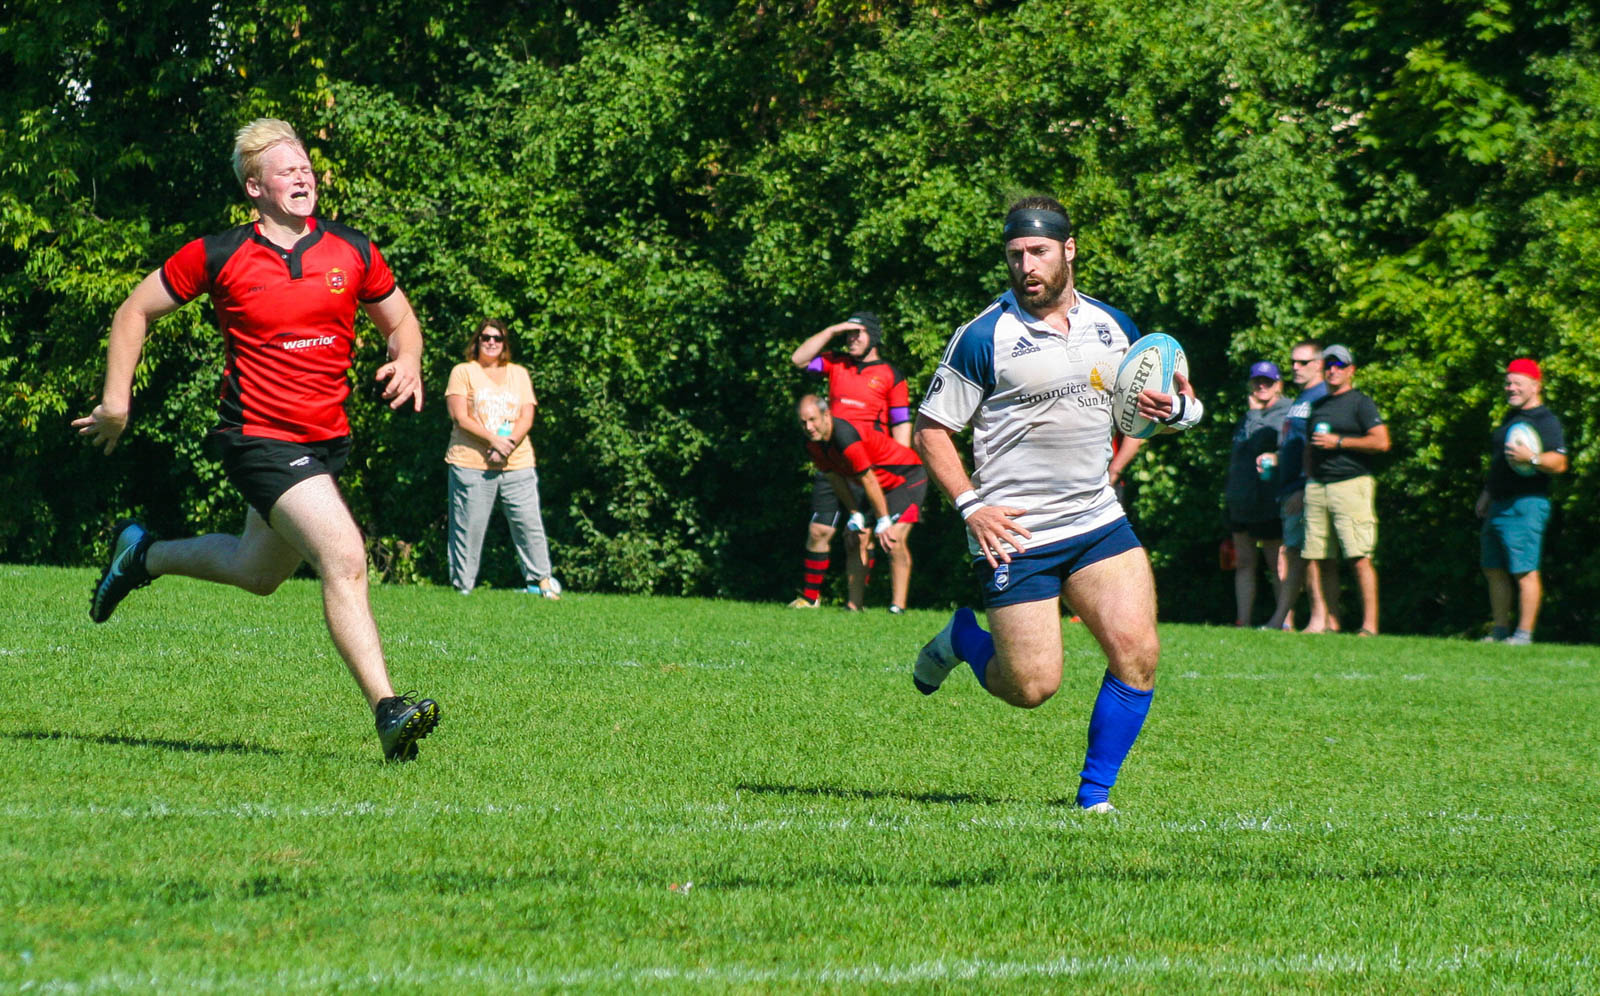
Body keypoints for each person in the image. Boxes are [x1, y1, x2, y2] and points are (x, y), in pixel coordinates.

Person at [72, 118, 439, 762]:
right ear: (254, 188)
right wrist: (115, 402)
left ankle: (141, 556)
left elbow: (401, 320)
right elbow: (134, 310)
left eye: (306, 166)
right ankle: (388, 709)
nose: (303, 175)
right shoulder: (219, 254)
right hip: (258, 439)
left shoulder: (352, 251)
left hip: (325, 442)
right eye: (286, 168)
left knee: (256, 570)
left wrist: (406, 356)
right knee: (345, 556)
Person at [910, 195, 1202, 814]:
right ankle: (965, 637)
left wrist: (1176, 410)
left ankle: (1094, 798)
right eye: (1015, 255)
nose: (1026, 266)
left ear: (1068, 250)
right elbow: (931, 429)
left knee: (1138, 654)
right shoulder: (984, 336)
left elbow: (1171, 408)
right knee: (1032, 687)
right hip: (1014, 532)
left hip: (1097, 520)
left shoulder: (1115, 325)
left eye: (1038, 251)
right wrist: (969, 506)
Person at [788, 312, 911, 608]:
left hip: (869, 464)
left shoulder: (891, 374)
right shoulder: (836, 362)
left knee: (861, 536)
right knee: (820, 530)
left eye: (858, 333)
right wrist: (832, 329)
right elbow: (799, 360)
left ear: (874, 337)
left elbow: (901, 421)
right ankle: (810, 598)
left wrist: (900, 463)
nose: (851, 339)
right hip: (833, 461)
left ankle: (856, 605)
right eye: (849, 334)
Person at [444, 318, 562, 598]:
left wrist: (505, 445)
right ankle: (463, 586)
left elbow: (527, 415)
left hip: (517, 462)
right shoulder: (463, 372)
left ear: (505, 343)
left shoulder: (518, 374)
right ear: (477, 341)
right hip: (470, 462)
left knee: (528, 523)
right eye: (486, 337)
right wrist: (492, 440)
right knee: (468, 527)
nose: (492, 343)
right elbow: (460, 417)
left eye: (497, 338)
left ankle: (541, 581)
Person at [796, 394, 925, 613]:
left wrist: (883, 521)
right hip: (873, 485)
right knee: (855, 537)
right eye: (803, 422)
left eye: (813, 420)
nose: (808, 427)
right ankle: (854, 607)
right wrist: (855, 513)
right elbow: (835, 478)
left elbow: (868, 479)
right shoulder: (813, 443)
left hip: (905, 478)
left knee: (893, 538)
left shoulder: (845, 435)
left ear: (826, 415)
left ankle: (897, 608)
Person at [1476, 358, 1567, 644]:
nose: (1510, 387)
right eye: (1508, 382)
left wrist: (1534, 459)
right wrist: (1487, 494)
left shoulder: (1545, 420)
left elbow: (1560, 462)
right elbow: (1499, 463)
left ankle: (1523, 634)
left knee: (1524, 569)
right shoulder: (1510, 418)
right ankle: (1500, 630)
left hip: (1527, 503)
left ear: (1535, 386)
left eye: (1517, 382)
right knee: (1493, 568)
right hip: (1499, 503)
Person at [1302, 344, 1390, 636]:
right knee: (1319, 557)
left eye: (1339, 365)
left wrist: (1339, 442)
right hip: (1317, 486)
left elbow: (1381, 442)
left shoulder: (1360, 403)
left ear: (1351, 370)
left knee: (1359, 556)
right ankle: (1329, 621)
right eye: (1328, 365)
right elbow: (1308, 447)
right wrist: (1309, 478)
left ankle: (1369, 625)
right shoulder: (1318, 405)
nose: (1332, 370)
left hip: (1351, 485)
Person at [1263, 341, 1334, 632]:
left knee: (1310, 553)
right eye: (1293, 362)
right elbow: (1296, 444)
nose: (1295, 367)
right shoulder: (1302, 398)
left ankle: (1320, 618)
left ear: (1319, 364)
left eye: (1303, 362)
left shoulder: (1322, 397)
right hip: (1289, 484)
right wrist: (1275, 458)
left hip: (1306, 488)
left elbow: (1318, 449)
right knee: (1294, 552)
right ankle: (1287, 619)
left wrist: (1305, 488)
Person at [1225, 361, 1291, 626]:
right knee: (1244, 563)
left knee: (1278, 564)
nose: (1262, 386)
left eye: (1268, 381)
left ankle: (1286, 621)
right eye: (1257, 381)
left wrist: (1253, 415)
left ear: (1279, 384)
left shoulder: (1286, 412)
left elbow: (1279, 447)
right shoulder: (1248, 415)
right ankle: (1243, 620)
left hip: (1269, 500)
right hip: (1241, 500)